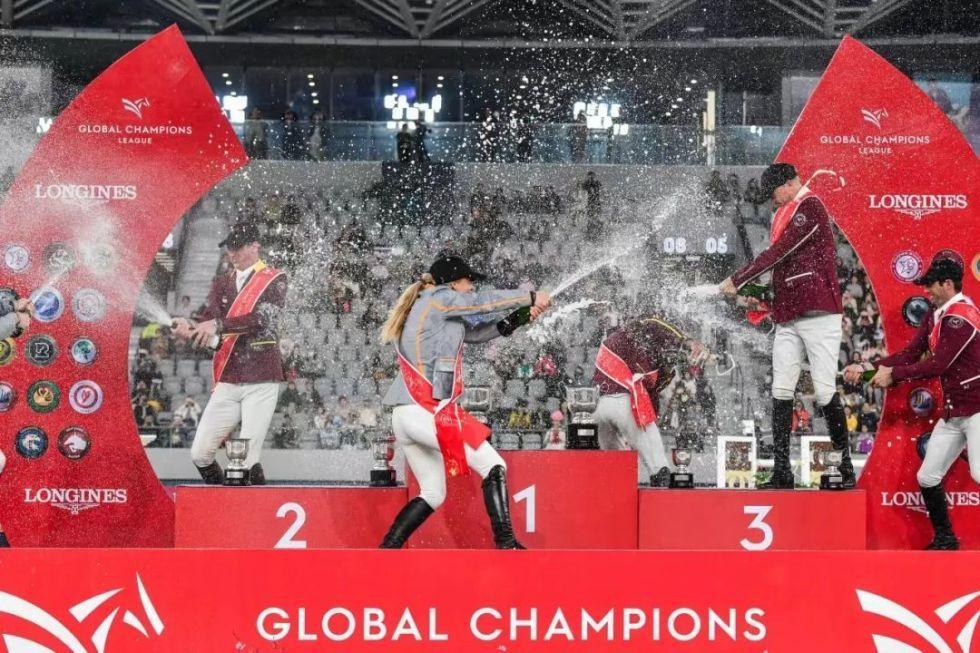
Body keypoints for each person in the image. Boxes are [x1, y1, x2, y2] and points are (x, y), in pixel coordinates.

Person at [378, 253, 551, 549]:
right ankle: (507, 544)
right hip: (424, 410)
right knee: (494, 464)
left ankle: (386, 550)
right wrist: (530, 296)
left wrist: (521, 316)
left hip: (407, 414)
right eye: (468, 281)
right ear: (453, 282)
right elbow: (482, 302)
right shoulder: (438, 297)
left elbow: (479, 333)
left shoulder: (435, 309)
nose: (471, 287)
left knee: (433, 493)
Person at [720, 162, 852, 489]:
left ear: (789, 185)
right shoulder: (787, 212)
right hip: (789, 315)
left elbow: (781, 252)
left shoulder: (810, 207)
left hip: (819, 313)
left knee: (824, 390)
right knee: (780, 390)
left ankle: (845, 465)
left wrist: (739, 278)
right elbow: (785, 273)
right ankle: (782, 470)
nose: (772, 200)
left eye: (773, 193)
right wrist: (761, 297)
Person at [844, 258, 980, 550]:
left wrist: (892, 375)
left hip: (977, 409)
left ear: (947, 284)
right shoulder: (937, 313)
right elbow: (910, 354)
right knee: (927, 476)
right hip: (955, 411)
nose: (926, 291)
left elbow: (939, 364)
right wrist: (868, 368)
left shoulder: (960, 317)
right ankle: (945, 538)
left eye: (930, 285)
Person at [174, 223, 287, 486]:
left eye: (237, 247)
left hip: (261, 377)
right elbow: (209, 321)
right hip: (229, 376)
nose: (231, 253)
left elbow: (263, 320)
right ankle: (221, 499)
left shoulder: (275, 278)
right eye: (229, 248)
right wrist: (190, 328)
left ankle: (252, 506)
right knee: (200, 453)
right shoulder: (221, 282)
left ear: (255, 246)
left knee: (247, 457)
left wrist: (217, 325)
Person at [592, 315, 707, 486]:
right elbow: (654, 324)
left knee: (614, 462)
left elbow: (650, 394)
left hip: (599, 406)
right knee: (658, 465)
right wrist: (686, 341)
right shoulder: (637, 335)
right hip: (625, 402)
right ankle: (660, 490)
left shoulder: (632, 348)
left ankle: (615, 491)